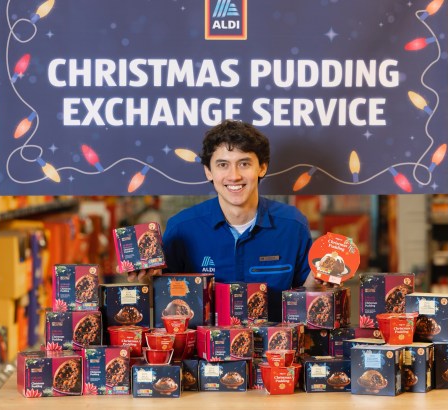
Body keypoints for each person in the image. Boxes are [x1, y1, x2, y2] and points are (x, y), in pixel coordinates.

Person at [131, 119, 314, 321]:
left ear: (262, 168)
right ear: (208, 171)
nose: (233, 176)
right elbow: (161, 300)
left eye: (244, 164)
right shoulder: (182, 228)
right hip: (201, 351)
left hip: (275, 350)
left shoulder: (292, 226)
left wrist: (327, 277)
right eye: (222, 165)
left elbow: (308, 293)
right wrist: (142, 279)